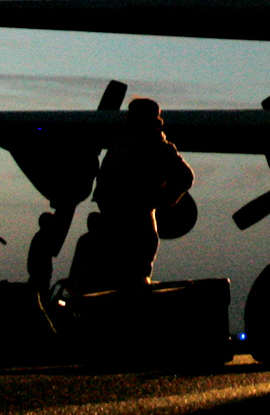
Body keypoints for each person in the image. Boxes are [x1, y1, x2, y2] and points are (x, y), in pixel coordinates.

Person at [73, 98, 194, 290]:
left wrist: (155, 199)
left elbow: (184, 177)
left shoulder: (158, 148)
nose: (128, 117)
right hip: (112, 222)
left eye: (133, 113)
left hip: (136, 226)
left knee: (132, 281)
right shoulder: (123, 143)